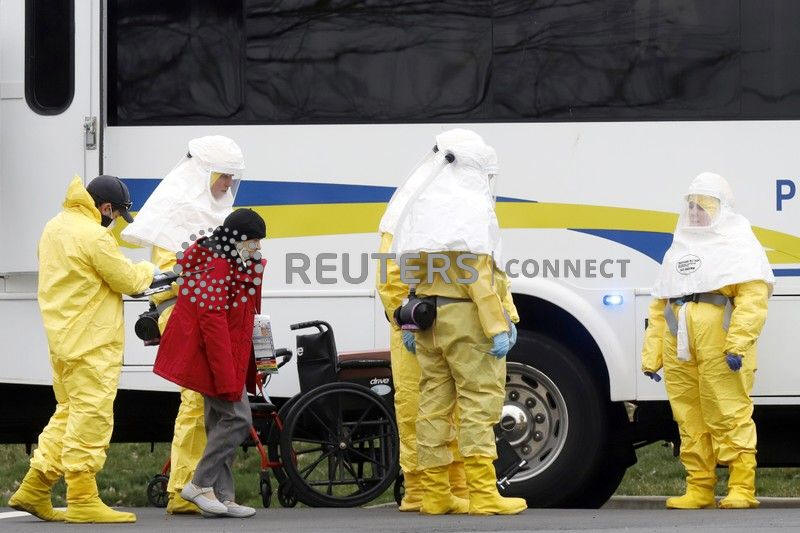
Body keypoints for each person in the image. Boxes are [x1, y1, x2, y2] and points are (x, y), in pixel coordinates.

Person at [392, 129, 526, 516]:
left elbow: (408, 271)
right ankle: (482, 494)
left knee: (433, 406)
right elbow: (480, 279)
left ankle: (435, 494)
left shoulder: (422, 207)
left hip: (428, 320)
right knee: (478, 406)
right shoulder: (470, 209)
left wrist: (409, 326)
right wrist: (499, 327)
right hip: (467, 322)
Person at [8, 175, 155, 523]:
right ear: (105, 208)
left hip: (62, 340)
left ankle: (35, 487)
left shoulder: (54, 228)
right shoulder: (94, 236)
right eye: (116, 215)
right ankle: (82, 498)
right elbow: (128, 281)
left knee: (68, 413)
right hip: (93, 343)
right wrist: (151, 268)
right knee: (91, 416)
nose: (115, 221)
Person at [121, 135, 244, 514]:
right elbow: (176, 273)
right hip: (188, 313)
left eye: (232, 177)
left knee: (208, 407)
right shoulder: (181, 213)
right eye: (224, 176)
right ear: (205, 174)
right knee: (197, 401)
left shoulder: (208, 211)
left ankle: (202, 488)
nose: (229, 184)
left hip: (208, 313)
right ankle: (184, 489)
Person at [641, 172, 773, 510]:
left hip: (721, 345)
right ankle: (699, 486)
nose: (696, 213)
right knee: (689, 417)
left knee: (728, 411)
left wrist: (738, 343)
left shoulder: (738, 244)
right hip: (679, 345)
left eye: (703, 206)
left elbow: (753, 298)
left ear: (721, 209)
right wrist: (652, 353)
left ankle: (742, 487)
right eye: (692, 206)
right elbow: (660, 305)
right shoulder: (679, 248)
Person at [153, 208, 267, 518]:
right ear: (238, 238)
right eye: (254, 241)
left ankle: (222, 497)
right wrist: (226, 373)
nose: (258, 247)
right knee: (238, 419)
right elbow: (212, 322)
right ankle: (200, 485)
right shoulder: (217, 264)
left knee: (219, 423)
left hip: (224, 358)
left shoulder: (228, 260)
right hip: (215, 361)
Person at [376, 146, 470, 512]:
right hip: (415, 330)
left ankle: (455, 486)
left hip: (445, 329)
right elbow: (390, 280)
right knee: (417, 409)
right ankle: (420, 488)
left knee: (453, 410)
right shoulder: (407, 214)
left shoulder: (441, 210)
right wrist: (407, 322)